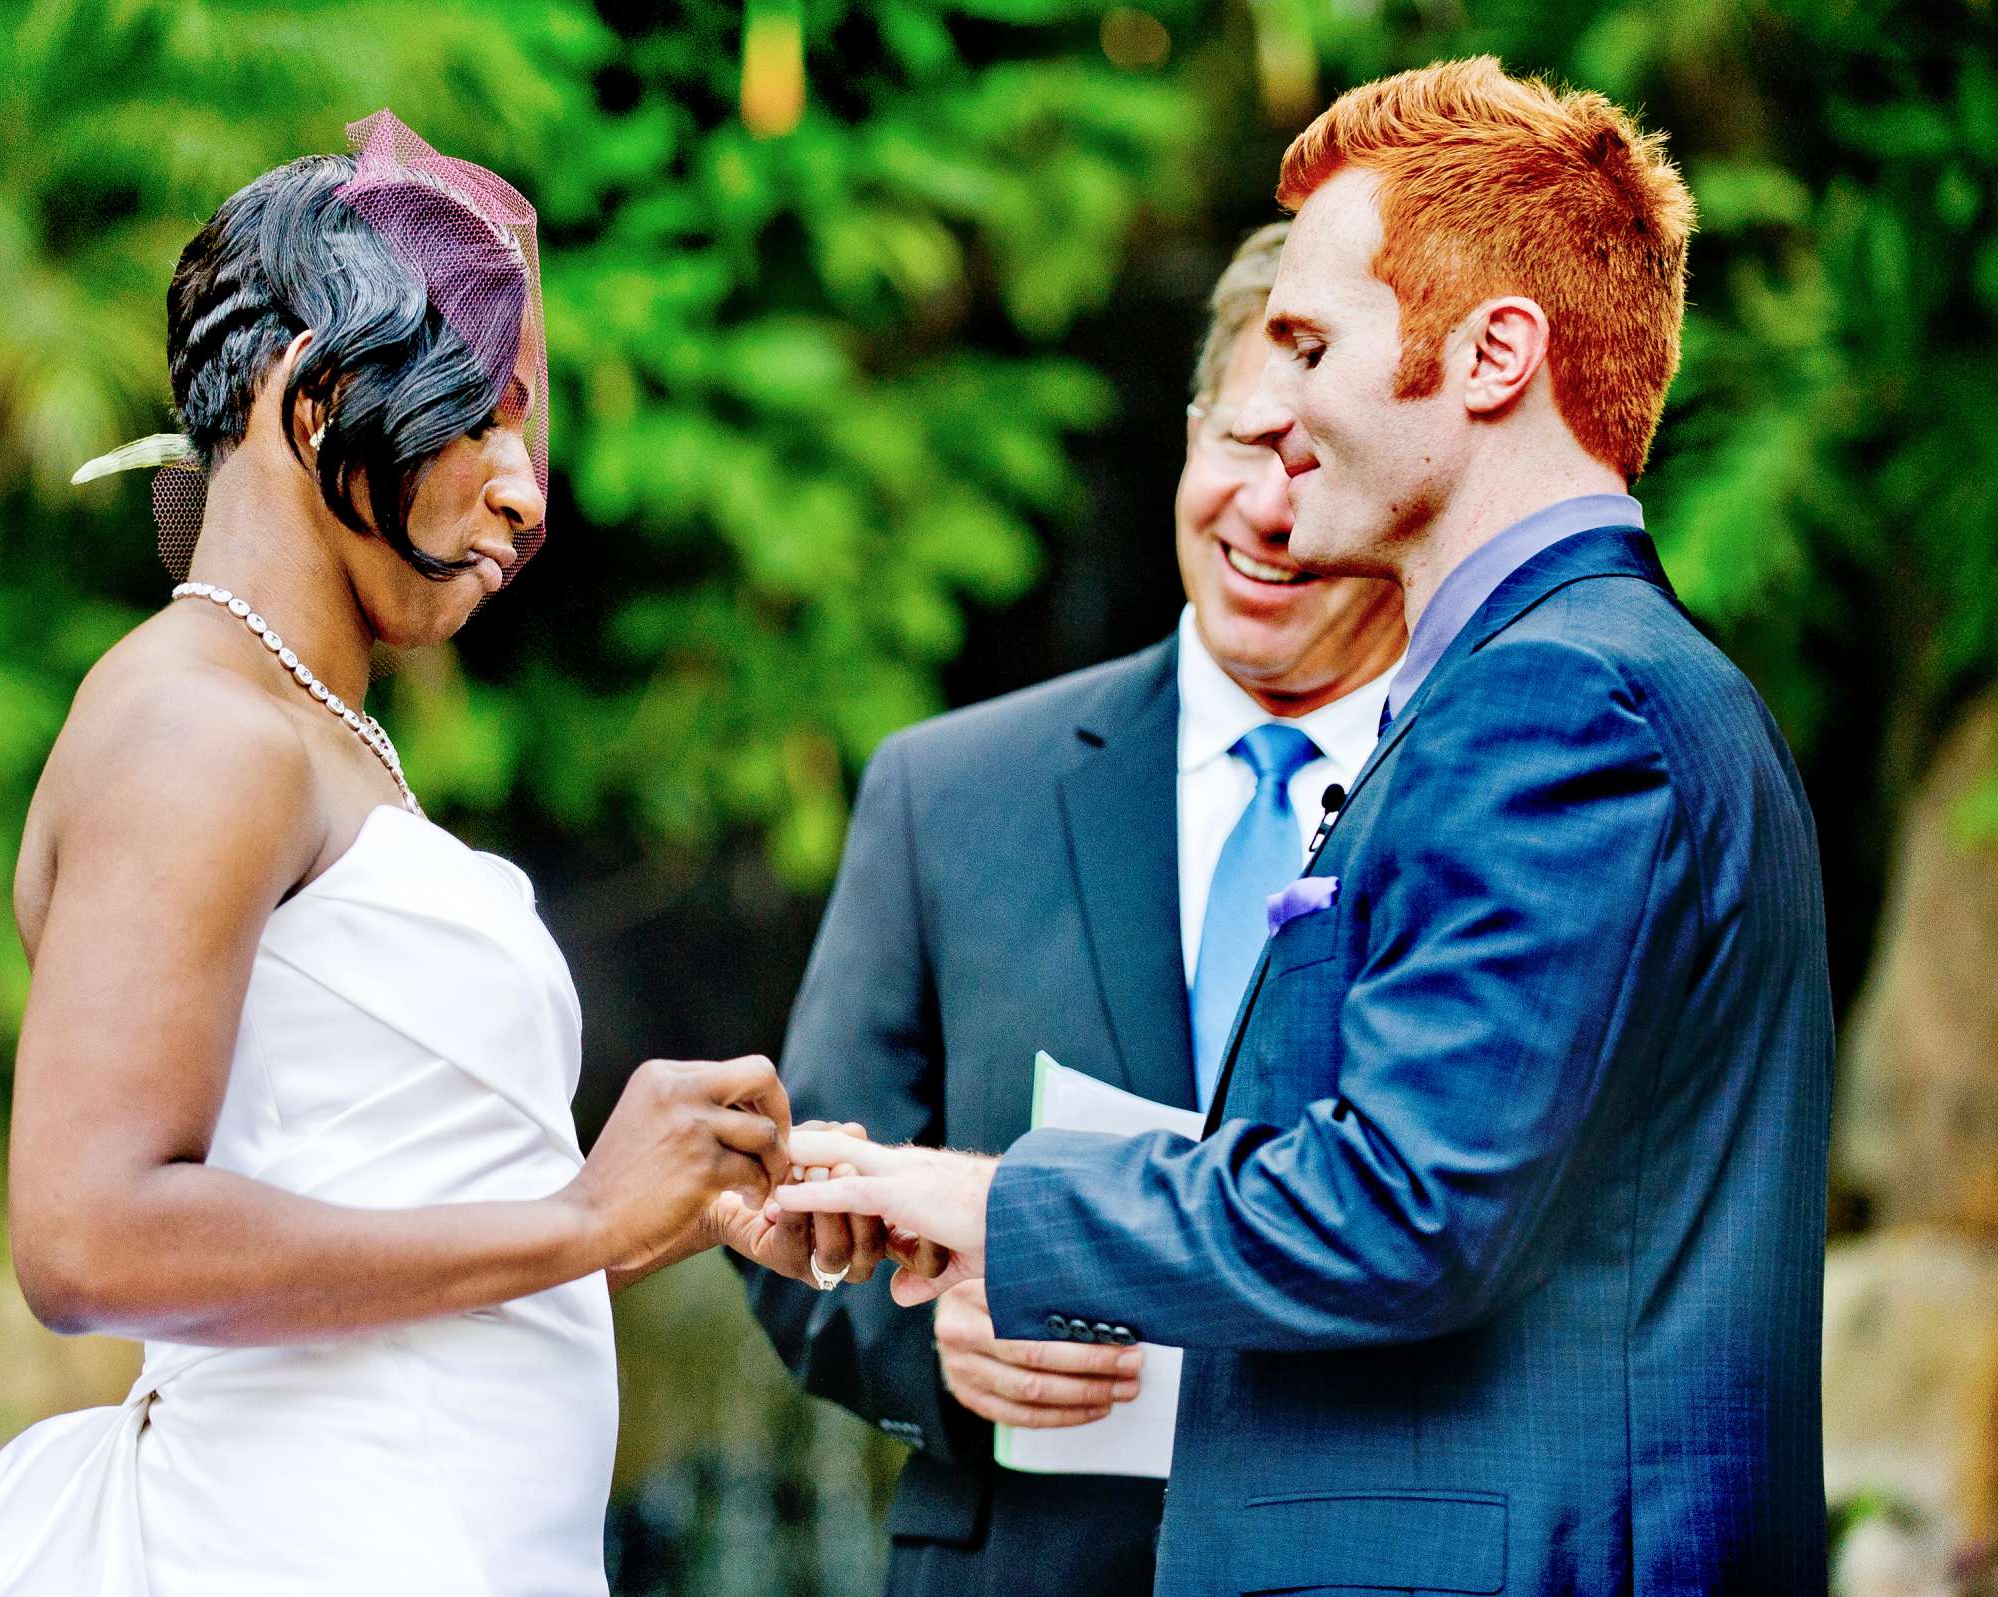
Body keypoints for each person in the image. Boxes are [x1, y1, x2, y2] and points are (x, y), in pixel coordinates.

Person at [776, 57, 1834, 1595]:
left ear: (1492, 356)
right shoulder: (1600, 677)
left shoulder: (1555, 704)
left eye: (1314, 344)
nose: (1276, 407)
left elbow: (1407, 1208)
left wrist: (990, 1198)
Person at [0, 112, 831, 1597]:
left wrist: (645, 1207)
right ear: (314, 400)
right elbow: (88, 1233)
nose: (527, 491)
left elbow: (356, 1182)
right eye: (488, 415)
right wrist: (577, 1217)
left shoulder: (305, 724)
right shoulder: (196, 726)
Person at [743, 222, 1406, 1597]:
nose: (1267, 515)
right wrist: (941, 1344)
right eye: (1243, 443)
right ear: (1186, 432)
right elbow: (796, 1210)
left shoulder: (1484, 807)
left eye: (1321, 466)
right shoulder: (949, 790)